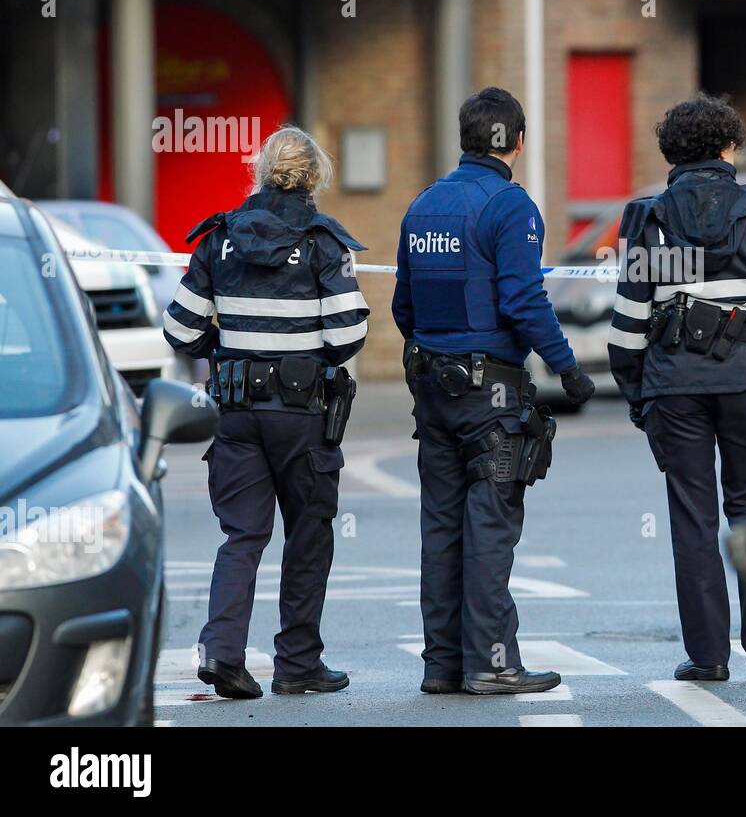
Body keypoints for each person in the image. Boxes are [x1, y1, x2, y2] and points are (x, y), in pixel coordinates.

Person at [608, 93, 746, 682]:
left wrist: (637, 393)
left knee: (692, 518)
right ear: (729, 147)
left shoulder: (652, 221)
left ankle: (707, 658)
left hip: (672, 387)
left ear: (671, 152)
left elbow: (628, 326)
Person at [392, 86, 595, 696]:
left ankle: (443, 664)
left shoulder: (423, 206)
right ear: (519, 141)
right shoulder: (511, 206)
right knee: (490, 525)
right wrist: (569, 368)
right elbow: (524, 299)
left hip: (432, 386)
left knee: (441, 525)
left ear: (465, 138)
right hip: (491, 395)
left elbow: (404, 304)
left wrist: (441, 349)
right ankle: (493, 662)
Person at [162, 126, 369, 699]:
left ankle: (223, 653)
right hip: (301, 415)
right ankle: (299, 664)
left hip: (235, 411)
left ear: (259, 170)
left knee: (242, 536)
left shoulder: (217, 239)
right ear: (315, 177)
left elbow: (179, 329)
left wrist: (226, 353)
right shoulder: (325, 243)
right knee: (308, 533)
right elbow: (349, 333)